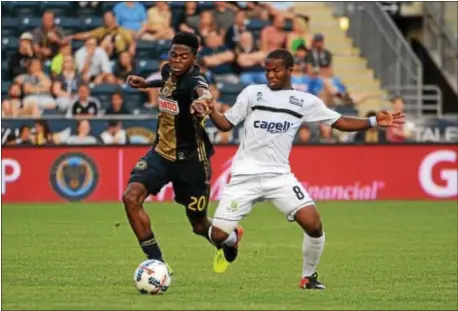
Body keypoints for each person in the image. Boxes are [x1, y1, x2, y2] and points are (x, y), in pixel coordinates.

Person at [191, 49, 405, 286]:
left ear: (290, 71)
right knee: (218, 235)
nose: (270, 75)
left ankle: (308, 277)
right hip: (245, 177)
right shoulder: (252, 93)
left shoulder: (305, 101)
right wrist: (211, 111)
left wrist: (374, 121)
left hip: (279, 177)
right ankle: (233, 239)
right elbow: (225, 124)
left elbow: (340, 122)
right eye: (267, 70)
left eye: (276, 70)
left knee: (314, 224)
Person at [122, 32, 237, 269]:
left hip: (192, 162)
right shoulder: (167, 71)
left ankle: (231, 238)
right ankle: (156, 262)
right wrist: (146, 84)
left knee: (198, 225)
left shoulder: (195, 81)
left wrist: (202, 101)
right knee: (130, 197)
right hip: (161, 155)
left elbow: (203, 92)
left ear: (194, 59)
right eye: (173, 55)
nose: (176, 60)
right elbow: (166, 83)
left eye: (183, 57)